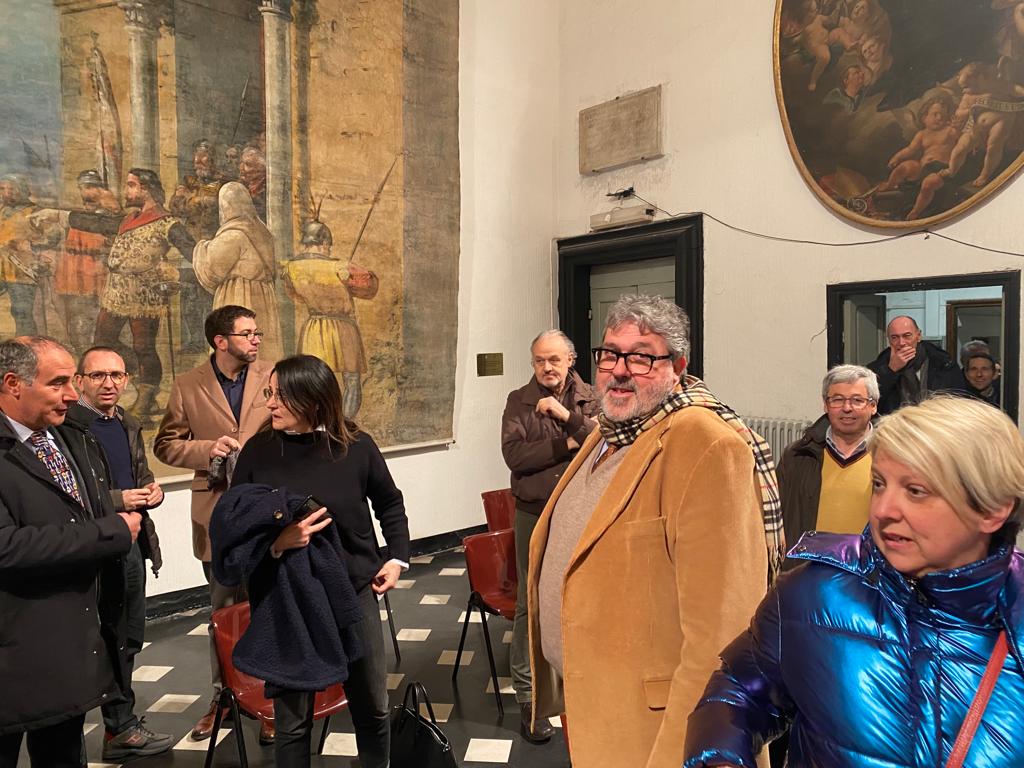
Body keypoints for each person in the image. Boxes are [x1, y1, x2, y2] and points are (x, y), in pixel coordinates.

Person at [684, 396, 1024, 767]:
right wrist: (721, 759)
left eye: (916, 491)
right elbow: (738, 691)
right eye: (878, 484)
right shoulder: (814, 594)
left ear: (992, 510)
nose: (883, 510)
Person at [527, 295, 777, 768]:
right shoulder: (609, 430)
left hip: (656, 730)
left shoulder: (706, 445)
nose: (620, 370)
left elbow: (721, 640)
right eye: (610, 354)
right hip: (594, 706)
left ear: (677, 366)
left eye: (641, 357)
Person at [228, 354, 410, 768]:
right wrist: (279, 543)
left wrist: (397, 557)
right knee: (292, 721)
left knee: (372, 705)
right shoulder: (259, 451)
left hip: (354, 590)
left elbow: (389, 503)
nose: (270, 403)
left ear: (312, 399)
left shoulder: (356, 446)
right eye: (270, 392)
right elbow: (237, 524)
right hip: (287, 598)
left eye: (281, 396)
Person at [0, 336, 140, 767]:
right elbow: (6, 548)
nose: (72, 395)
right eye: (57, 383)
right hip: (13, 648)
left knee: (62, 753)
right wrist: (111, 533)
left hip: (70, 643)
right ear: (13, 383)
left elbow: (83, 508)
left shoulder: (70, 436)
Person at [153, 305, 273, 742]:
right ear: (221, 341)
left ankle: (271, 699)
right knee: (223, 612)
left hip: (267, 509)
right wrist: (207, 449)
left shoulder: (273, 376)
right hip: (216, 512)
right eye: (247, 333)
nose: (255, 340)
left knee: (269, 606)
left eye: (257, 332)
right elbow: (166, 445)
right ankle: (224, 698)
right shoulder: (188, 385)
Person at [71, 346, 170, 760]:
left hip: (130, 543)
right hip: (95, 547)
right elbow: (72, 494)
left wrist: (152, 491)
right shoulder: (70, 428)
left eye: (117, 375)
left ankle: (121, 727)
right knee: (100, 640)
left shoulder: (127, 422)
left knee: (128, 637)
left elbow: (140, 474)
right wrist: (118, 499)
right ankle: (103, 730)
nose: (109, 383)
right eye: (98, 375)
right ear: (80, 381)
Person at [33, 168, 196, 419]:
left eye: (131, 185)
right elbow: (95, 223)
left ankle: (147, 397)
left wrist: (175, 274)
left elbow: (196, 255)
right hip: (116, 291)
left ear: (146, 190)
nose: (126, 191)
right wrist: (57, 215)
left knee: (144, 346)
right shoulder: (128, 219)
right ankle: (138, 375)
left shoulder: (168, 223)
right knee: (103, 340)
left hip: (145, 293)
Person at [500, 329, 598, 743]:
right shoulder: (518, 401)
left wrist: (566, 417)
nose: (547, 367)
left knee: (580, 595)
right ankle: (530, 697)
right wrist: (568, 443)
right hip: (534, 512)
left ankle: (580, 683)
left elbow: (606, 439)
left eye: (555, 359)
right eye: (540, 360)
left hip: (580, 510)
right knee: (531, 602)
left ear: (570, 360)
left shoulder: (591, 398)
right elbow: (515, 457)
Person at [778, 365, 878, 562]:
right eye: (837, 400)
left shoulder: (892, 457)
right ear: (825, 405)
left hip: (870, 574)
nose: (847, 408)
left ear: (873, 406)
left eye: (857, 400)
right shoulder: (798, 456)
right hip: (807, 572)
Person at [283, 219, 378, 417]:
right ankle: (346, 421)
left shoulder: (291, 268)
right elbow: (369, 289)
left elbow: (294, 295)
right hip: (343, 328)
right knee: (351, 380)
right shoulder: (341, 268)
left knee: (313, 378)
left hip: (314, 328)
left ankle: (317, 420)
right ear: (324, 244)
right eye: (328, 246)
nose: (328, 250)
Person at [193, 182, 283, 362]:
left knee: (237, 346)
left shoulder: (233, 235)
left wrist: (201, 247)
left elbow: (211, 270)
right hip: (263, 297)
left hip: (238, 294)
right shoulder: (263, 232)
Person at [55, 170, 120, 353]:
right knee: (77, 314)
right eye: (83, 187)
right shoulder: (77, 212)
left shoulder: (109, 212)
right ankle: (82, 348)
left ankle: (97, 349)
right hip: (75, 272)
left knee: (99, 315)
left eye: (90, 187)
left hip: (98, 270)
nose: (85, 192)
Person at [170, 140, 224, 354]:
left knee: (209, 296)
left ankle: (213, 341)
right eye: (196, 160)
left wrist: (190, 199)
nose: (198, 164)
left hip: (212, 247)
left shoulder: (222, 184)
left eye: (203, 160)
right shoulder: (188, 182)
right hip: (189, 248)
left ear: (213, 161)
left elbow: (210, 208)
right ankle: (194, 340)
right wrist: (183, 198)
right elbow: (175, 208)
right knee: (189, 296)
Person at [867, 315, 964, 414]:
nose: (901, 343)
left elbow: (960, 401)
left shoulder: (944, 364)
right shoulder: (875, 369)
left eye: (907, 336)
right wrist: (890, 370)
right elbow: (870, 404)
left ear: (918, 336)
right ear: (889, 340)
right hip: (895, 421)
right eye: (894, 337)